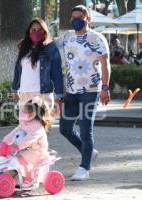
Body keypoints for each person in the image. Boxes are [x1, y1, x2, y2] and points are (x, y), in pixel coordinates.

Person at [57, 5, 111, 181]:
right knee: (65, 129)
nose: (75, 20)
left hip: (91, 91)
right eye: (73, 17)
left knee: (86, 130)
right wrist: (27, 42)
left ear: (88, 18)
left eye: (80, 17)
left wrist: (105, 88)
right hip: (71, 91)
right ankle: (88, 151)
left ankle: (84, 168)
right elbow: (48, 45)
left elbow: (105, 64)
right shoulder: (67, 37)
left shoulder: (97, 38)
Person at [0, 96, 51, 190]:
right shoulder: (25, 122)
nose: (26, 113)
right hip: (27, 148)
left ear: (37, 113)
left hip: (37, 150)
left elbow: (30, 139)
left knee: (20, 158)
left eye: (29, 111)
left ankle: (29, 177)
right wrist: (6, 141)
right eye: (25, 110)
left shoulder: (37, 126)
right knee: (12, 156)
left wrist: (17, 145)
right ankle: (15, 175)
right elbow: (16, 131)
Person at [11, 18, 63, 111]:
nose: (36, 32)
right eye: (33, 30)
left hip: (43, 94)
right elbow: (18, 70)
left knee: (41, 124)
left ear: (44, 31)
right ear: (29, 32)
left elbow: (57, 73)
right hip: (24, 93)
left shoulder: (51, 48)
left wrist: (59, 95)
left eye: (39, 30)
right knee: (25, 124)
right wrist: (15, 89)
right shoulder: (24, 47)